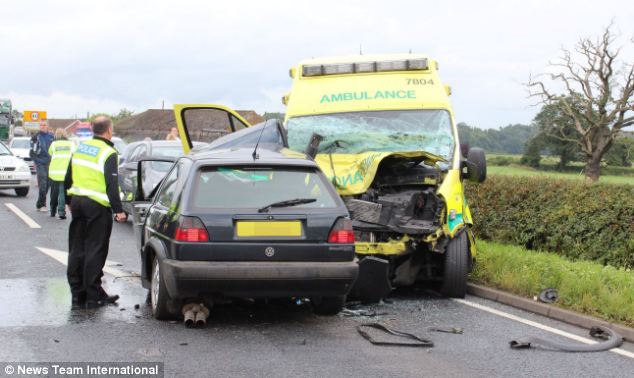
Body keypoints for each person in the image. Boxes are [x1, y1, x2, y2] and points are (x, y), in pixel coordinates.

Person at [64, 116, 127, 308]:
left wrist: (69, 201)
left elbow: (68, 176)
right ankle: (93, 295)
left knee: (77, 248)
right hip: (97, 206)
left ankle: (77, 293)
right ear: (108, 130)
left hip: (78, 202)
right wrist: (119, 211)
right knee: (95, 249)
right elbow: (111, 184)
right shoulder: (109, 152)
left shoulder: (81, 148)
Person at [48, 128, 74, 219]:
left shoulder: (54, 144)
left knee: (54, 193)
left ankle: (52, 211)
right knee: (63, 192)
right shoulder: (71, 144)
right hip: (66, 173)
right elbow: (75, 155)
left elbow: (50, 153)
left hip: (54, 172)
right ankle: (62, 212)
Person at [30, 120, 54, 212]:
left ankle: (39, 203)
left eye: (44, 125)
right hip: (40, 163)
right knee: (43, 184)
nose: (42, 127)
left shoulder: (52, 137)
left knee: (48, 184)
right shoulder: (36, 137)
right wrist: (36, 162)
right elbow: (32, 151)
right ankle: (42, 205)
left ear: (47, 126)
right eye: (41, 125)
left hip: (50, 163)